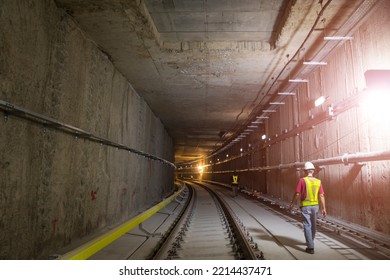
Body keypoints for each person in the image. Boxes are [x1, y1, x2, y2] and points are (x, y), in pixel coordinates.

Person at [289, 162, 327, 254]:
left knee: (307, 225)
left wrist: (292, 203)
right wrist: (324, 208)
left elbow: (297, 193)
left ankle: (310, 247)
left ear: (305, 171)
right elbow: (321, 195)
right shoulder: (318, 181)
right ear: (313, 171)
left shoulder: (302, 180)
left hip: (305, 206)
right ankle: (311, 241)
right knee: (313, 225)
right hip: (315, 206)